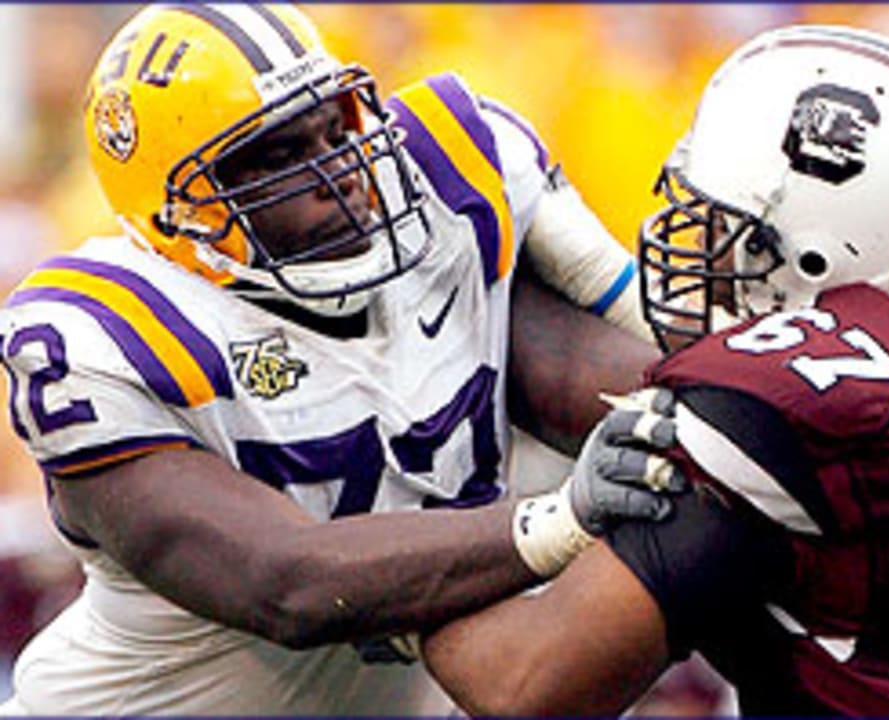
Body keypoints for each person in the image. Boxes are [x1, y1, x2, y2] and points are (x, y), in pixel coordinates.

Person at [417, 25, 889, 716]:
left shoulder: (827, 422)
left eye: (734, 235)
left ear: (822, 262)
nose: (704, 245)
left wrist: (397, 537)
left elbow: (521, 684)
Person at [0, 3, 671, 716]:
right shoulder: (111, 337)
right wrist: (564, 516)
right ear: (183, 209)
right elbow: (285, 583)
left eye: (336, 127)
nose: (339, 170)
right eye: (282, 155)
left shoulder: (433, 228)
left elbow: (600, 389)